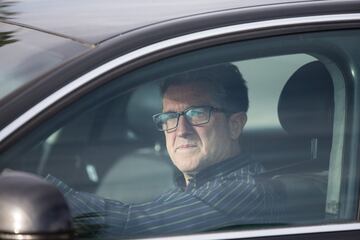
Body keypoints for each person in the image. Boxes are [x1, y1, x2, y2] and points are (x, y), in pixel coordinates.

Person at [46, 63, 279, 238]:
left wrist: (40, 198)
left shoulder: (241, 192)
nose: (181, 130)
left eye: (196, 114)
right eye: (170, 117)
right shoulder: (193, 185)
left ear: (234, 125)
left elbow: (129, 226)